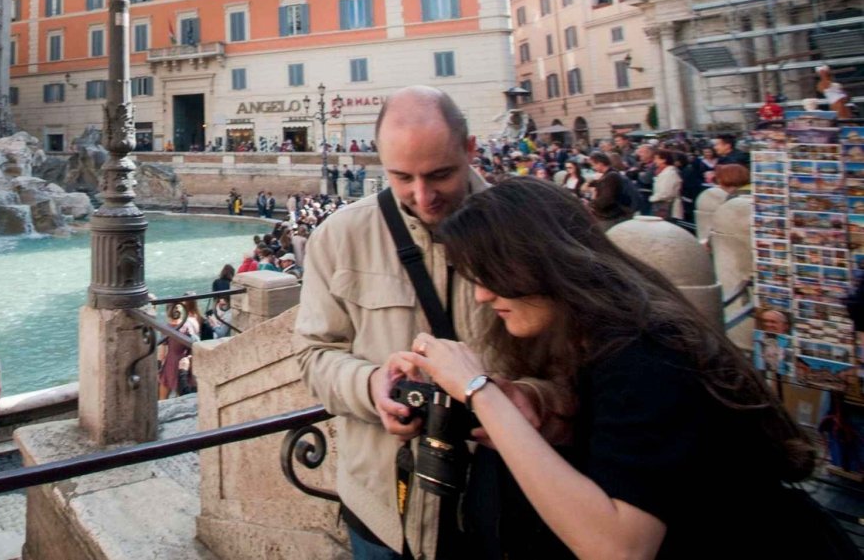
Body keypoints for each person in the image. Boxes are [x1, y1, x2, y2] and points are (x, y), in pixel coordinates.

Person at [395, 178, 834, 559]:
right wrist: (544, 408)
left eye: (488, 275)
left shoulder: (646, 351)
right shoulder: (606, 335)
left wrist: (480, 391)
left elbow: (620, 547)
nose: (481, 297)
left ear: (537, 262)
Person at [297, 86, 539, 560]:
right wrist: (371, 386)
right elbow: (312, 354)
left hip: (503, 501)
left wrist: (535, 398)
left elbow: (571, 354)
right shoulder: (339, 237)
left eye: (441, 174)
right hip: (383, 509)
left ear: (471, 150)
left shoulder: (526, 230)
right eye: (402, 177)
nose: (423, 196)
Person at [650, 148, 684, 220]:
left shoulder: (670, 174)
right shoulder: (664, 172)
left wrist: (652, 198)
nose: (654, 161)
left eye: (656, 158)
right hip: (662, 207)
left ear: (664, 160)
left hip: (667, 208)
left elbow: (666, 193)